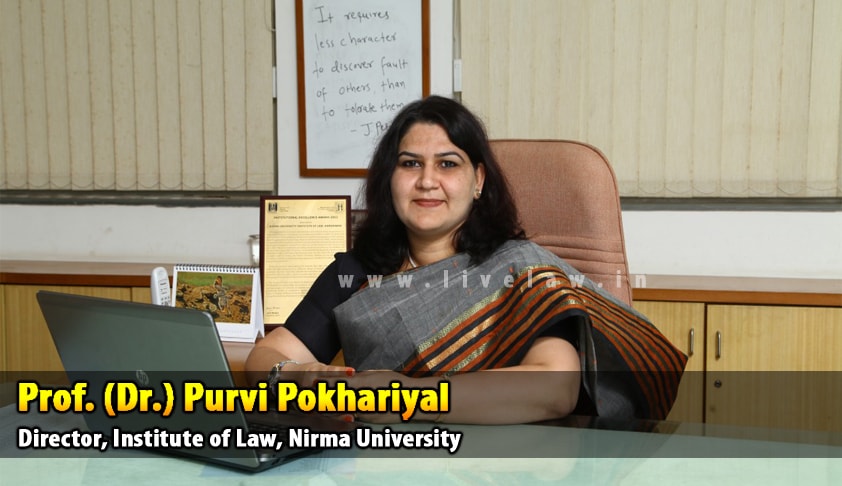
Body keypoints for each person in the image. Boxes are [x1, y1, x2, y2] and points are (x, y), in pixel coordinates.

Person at [246, 95, 686, 424]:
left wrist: (409, 397)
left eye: (448, 164)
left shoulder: (519, 270)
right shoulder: (355, 271)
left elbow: (555, 387)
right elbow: (264, 355)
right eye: (410, 163)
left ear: (478, 180)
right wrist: (293, 375)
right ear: (389, 179)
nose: (427, 181)